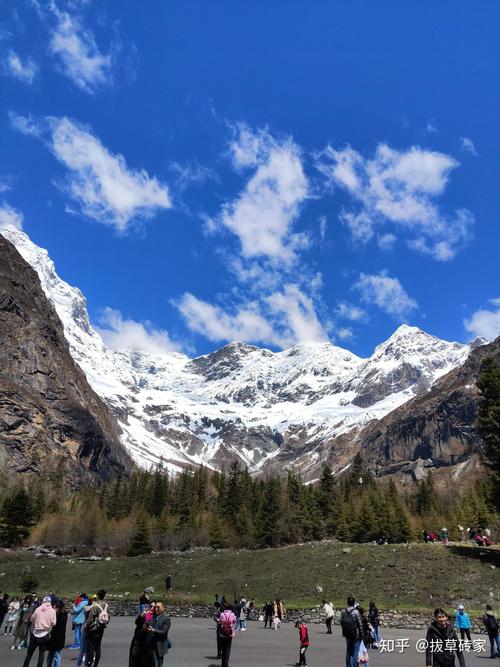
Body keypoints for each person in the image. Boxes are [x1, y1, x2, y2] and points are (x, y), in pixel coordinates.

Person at [22, 596, 56, 667]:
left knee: (29, 654)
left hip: (35, 633)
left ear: (43, 601)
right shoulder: (52, 611)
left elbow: (32, 619)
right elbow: (54, 623)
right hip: (45, 633)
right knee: (41, 654)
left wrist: (36, 623)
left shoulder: (38, 609)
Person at [85, 589, 109, 667]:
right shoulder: (106, 605)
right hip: (101, 628)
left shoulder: (95, 606)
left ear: (98, 596)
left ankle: (90, 663)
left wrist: (86, 626)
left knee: (91, 647)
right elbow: (108, 617)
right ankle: (96, 664)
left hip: (93, 629)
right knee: (98, 647)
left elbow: (90, 619)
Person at [340, 596, 362, 667]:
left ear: (347, 602)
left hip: (347, 634)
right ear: (354, 603)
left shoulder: (343, 611)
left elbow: (341, 622)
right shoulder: (356, 612)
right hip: (355, 634)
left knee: (348, 651)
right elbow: (360, 624)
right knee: (355, 652)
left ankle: (348, 665)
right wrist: (362, 634)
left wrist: (344, 630)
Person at [147, 602, 171, 667]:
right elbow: (146, 622)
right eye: (155, 607)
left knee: (158, 664)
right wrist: (148, 613)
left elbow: (164, 632)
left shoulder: (166, 619)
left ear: (163, 609)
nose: (156, 609)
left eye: (158, 607)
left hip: (159, 645)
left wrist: (154, 630)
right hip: (150, 644)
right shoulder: (152, 616)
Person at [47, 600, 67, 667]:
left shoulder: (56, 615)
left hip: (54, 637)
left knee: (51, 655)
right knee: (57, 654)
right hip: (61, 636)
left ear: (57, 607)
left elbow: (52, 624)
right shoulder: (65, 614)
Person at [217, 603, 236, 667]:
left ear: (224, 608)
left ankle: (223, 664)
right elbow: (234, 621)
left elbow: (219, 622)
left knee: (223, 648)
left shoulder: (222, 614)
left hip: (223, 633)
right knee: (228, 648)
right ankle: (226, 664)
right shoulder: (232, 614)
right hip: (230, 633)